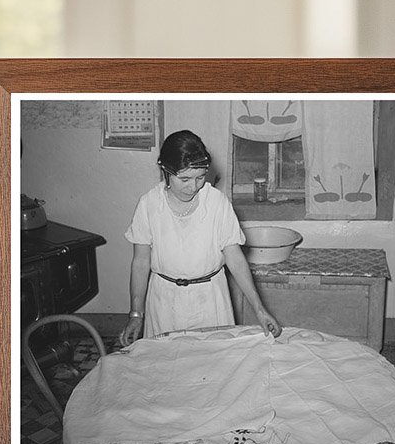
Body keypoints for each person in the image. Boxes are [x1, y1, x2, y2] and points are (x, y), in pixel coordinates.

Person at [117, 130, 282, 346]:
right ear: (165, 170)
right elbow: (140, 262)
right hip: (164, 301)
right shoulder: (149, 205)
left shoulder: (216, 203)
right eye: (184, 179)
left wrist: (260, 309)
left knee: (213, 369)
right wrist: (135, 314)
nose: (193, 187)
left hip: (211, 300)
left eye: (200, 177)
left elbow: (235, 258)